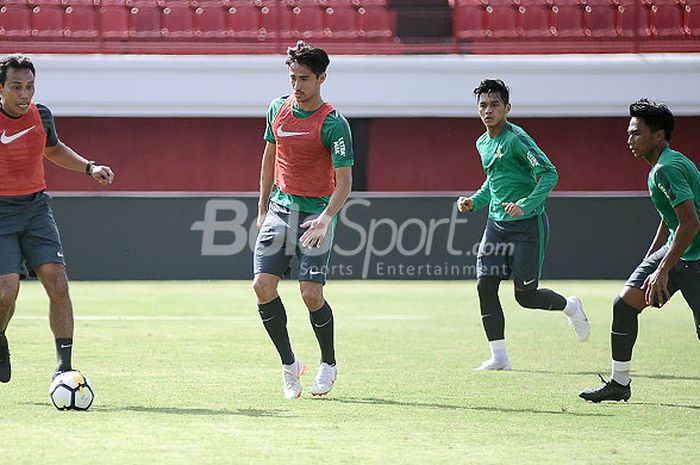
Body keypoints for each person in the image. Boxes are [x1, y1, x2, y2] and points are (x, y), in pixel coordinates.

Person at [457, 79, 590, 371]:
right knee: (485, 285)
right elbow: (493, 183)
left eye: (494, 105)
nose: (488, 110)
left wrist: (526, 205)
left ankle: (571, 307)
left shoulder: (516, 138)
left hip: (528, 227)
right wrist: (474, 201)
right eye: (483, 105)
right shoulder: (482, 142)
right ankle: (499, 357)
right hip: (496, 226)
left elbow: (549, 174)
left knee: (526, 297)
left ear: (507, 108)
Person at [0, 54, 114, 384]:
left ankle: (64, 367)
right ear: (2, 88)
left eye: (30, 87)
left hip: (36, 209)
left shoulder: (42, 115)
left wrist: (90, 167)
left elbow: (53, 149)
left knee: (57, 281)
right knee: (7, 290)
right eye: (17, 87)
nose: (25, 94)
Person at [580, 99, 700, 403]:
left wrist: (662, 270)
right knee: (624, 304)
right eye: (629, 132)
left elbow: (690, 223)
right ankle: (620, 384)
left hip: (695, 257)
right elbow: (672, 216)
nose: (629, 139)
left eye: (636, 133)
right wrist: (653, 258)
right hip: (680, 252)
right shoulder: (664, 166)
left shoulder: (666, 169)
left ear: (658, 136)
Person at [252, 41, 353, 399]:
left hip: (316, 214)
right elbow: (269, 158)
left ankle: (328, 363)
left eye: (305, 79)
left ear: (322, 78)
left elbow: (345, 182)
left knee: (310, 294)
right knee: (262, 287)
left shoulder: (334, 123)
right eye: (293, 77)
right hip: (280, 209)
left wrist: (327, 217)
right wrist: (263, 207)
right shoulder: (277, 109)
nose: (297, 85)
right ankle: (289, 365)